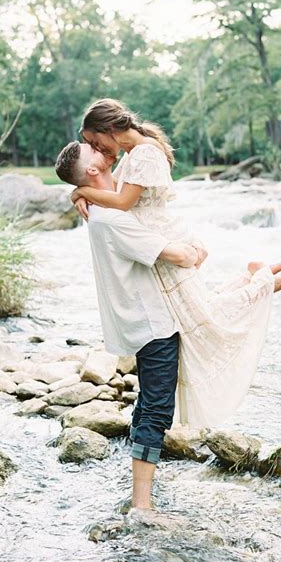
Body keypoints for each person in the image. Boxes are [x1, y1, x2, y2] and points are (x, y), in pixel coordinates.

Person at [68, 98, 281, 428]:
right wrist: (77, 192)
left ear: (108, 130)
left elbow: (120, 201)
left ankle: (264, 284)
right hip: (155, 247)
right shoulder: (135, 154)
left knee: (205, 321)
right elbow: (116, 190)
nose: (98, 149)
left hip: (162, 246)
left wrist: (82, 193)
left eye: (95, 141)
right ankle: (260, 281)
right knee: (198, 314)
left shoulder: (145, 153)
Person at [56, 142, 208, 510]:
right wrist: (196, 251)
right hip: (152, 320)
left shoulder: (102, 203)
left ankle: (139, 486)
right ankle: (142, 505)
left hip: (142, 317)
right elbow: (181, 256)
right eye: (91, 149)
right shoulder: (112, 217)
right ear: (93, 171)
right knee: (157, 409)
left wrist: (79, 192)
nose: (100, 147)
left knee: (147, 404)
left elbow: (126, 180)